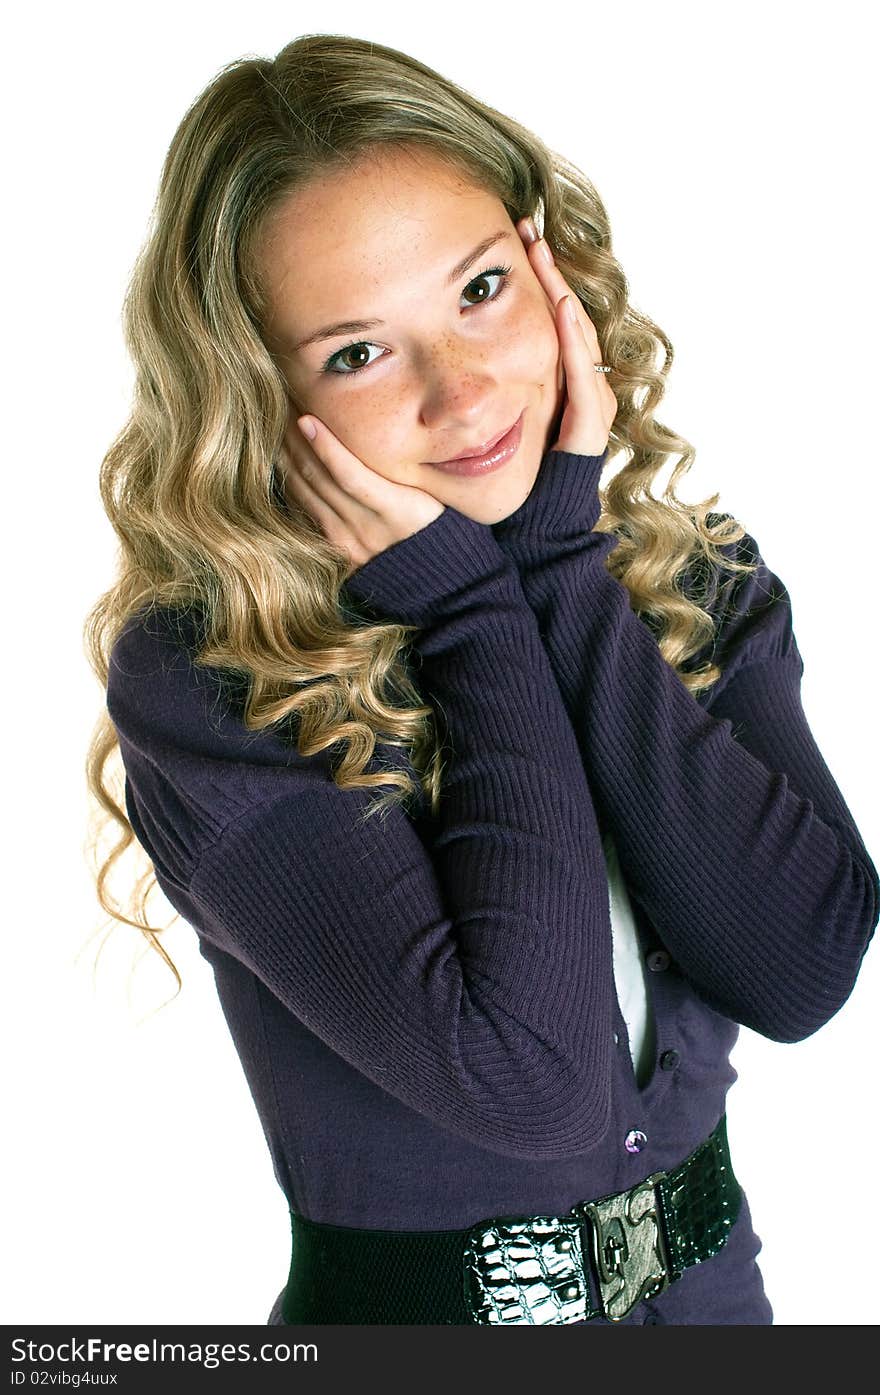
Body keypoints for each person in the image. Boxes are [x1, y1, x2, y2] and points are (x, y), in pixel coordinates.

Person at [84, 33, 878, 1327]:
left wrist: (563, 572)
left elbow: (800, 975)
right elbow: (531, 1081)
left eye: (482, 289)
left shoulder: (687, 571)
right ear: (252, 394)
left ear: (550, 263)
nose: (462, 395)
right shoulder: (220, 681)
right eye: (356, 352)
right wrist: (471, 611)